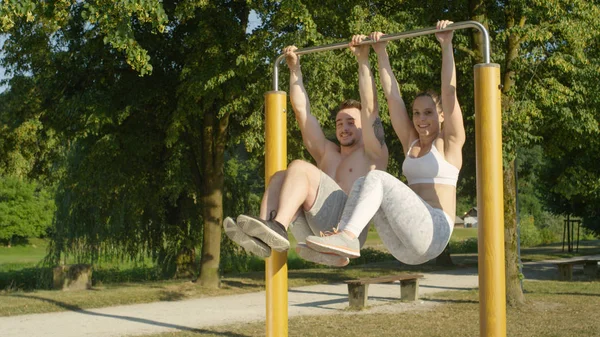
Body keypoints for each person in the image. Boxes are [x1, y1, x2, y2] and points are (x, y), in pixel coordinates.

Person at [305, 20, 466, 265]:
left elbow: (449, 93)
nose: (421, 119)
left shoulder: (450, 143)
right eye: (416, 113)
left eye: (429, 113)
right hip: (405, 246)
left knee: (376, 177)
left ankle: (346, 237)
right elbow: (392, 96)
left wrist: (446, 45)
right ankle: (339, 247)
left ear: (442, 115)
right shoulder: (411, 143)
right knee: (364, 183)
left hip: (435, 230)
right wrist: (379, 53)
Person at [223, 40, 389, 267]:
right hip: (314, 226)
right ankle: (262, 234)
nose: (344, 127)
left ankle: (277, 227)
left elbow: (371, 107)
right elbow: (302, 113)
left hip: (348, 231)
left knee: (299, 167)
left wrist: (363, 60)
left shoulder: (373, 154)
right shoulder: (326, 152)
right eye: (339, 123)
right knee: (280, 176)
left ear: (364, 127)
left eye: (351, 122)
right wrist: (294, 70)